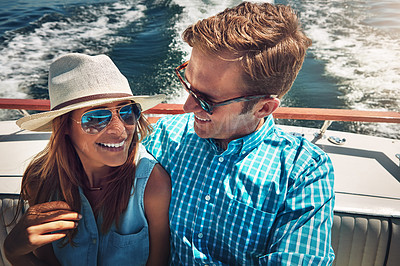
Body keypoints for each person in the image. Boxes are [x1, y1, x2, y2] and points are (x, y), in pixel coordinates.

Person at [143, 2, 335, 265]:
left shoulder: (303, 172)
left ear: (263, 107)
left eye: (207, 100)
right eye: (188, 83)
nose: (187, 107)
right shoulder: (164, 137)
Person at [3, 53, 171, 266]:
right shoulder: (41, 180)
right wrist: (14, 252)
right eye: (96, 118)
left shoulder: (151, 184)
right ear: (64, 126)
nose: (120, 131)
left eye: (127, 112)